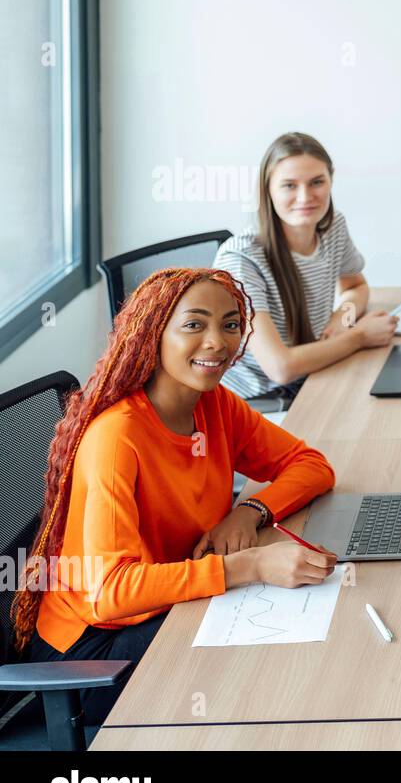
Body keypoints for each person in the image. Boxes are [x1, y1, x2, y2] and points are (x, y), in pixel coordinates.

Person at [12, 267, 338, 725]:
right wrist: (249, 565)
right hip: (94, 646)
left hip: (167, 596)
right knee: (258, 675)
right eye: (194, 324)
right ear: (152, 334)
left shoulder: (214, 403)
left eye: (230, 324)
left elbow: (312, 466)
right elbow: (111, 593)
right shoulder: (117, 438)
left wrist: (249, 510)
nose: (217, 342)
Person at [214, 132, 397, 412]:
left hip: (312, 372)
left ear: (331, 181)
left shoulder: (333, 226)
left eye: (317, 183)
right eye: (289, 185)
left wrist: (343, 319)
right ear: (268, 190)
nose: (305, 197)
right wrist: (359, 336)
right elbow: (280, 367)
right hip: (262, 402)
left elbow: (356, 286)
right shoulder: (241, 259)